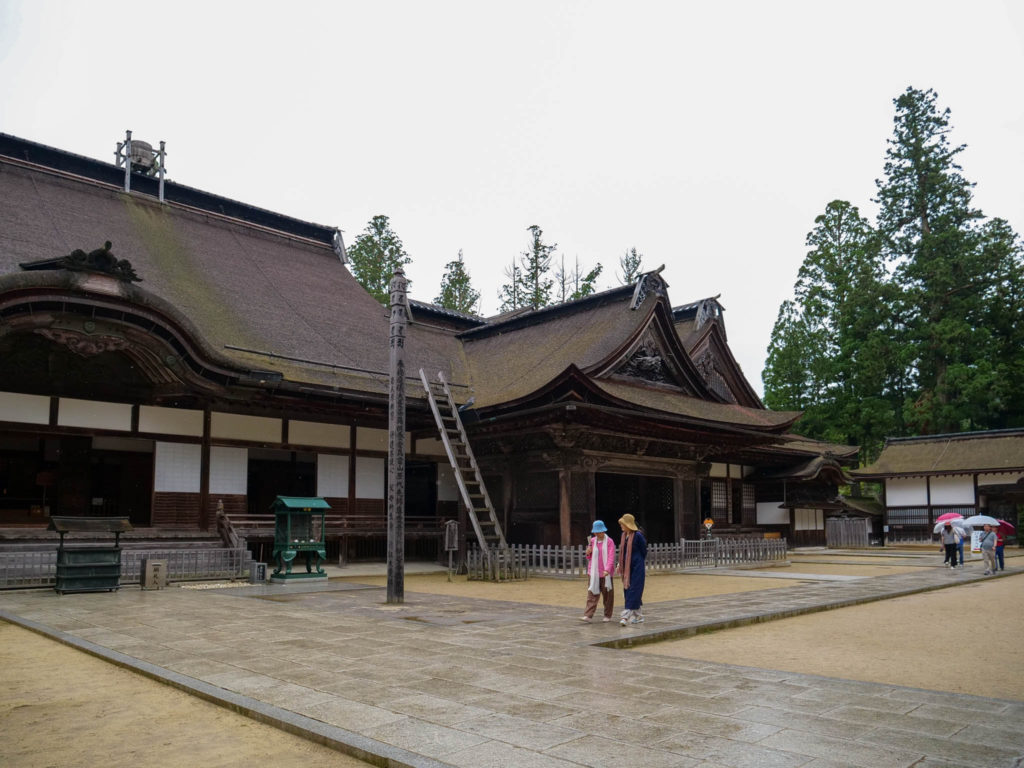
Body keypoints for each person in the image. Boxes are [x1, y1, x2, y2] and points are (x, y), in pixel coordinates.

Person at [580, 520, 615, 623]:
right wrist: (588, 552)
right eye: (595, 532)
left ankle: (607, 615)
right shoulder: (592, 541)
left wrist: (607, 569)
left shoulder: (609, 541)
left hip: (605, 573)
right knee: (592, 593)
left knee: (607, 596)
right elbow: (590, 557)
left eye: (599, 532)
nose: (597, 534)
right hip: (594, 572)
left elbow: (611, 557)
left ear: (603, 531)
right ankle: (588, 615)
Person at [617, 513, 647, 626]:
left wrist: (638, 560)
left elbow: (644, 550)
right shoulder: (624, 536)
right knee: (628, 590)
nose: (621, 526)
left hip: (637, 566)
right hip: (627, 567)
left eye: (623, 524)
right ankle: (638, 616)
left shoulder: (638, 535)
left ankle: (625, 616)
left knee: (634, 590)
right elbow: (623, 552)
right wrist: (620, 564)